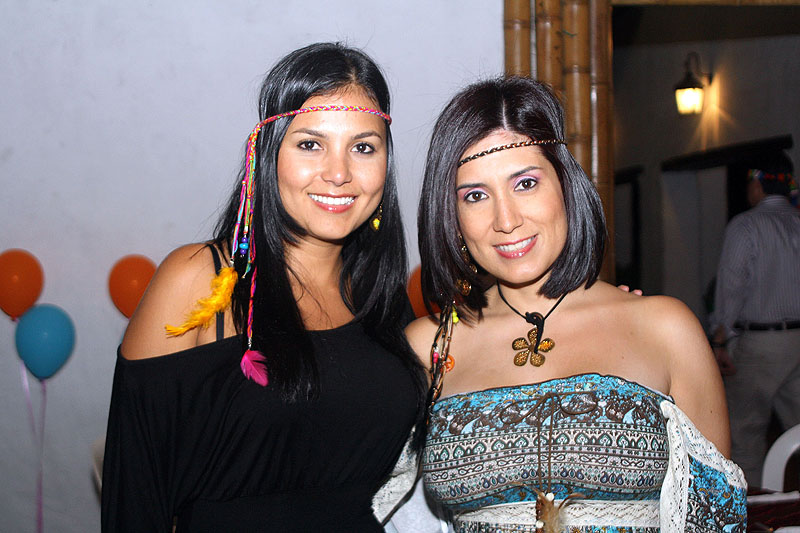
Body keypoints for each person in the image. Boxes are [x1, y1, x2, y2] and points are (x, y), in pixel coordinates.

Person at [101, 42, 427, 532]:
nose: (339, 174)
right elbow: (136, 496)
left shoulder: (380, 298)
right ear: (268, 151)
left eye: (363, 147)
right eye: (310, 144)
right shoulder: (198, 279)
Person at [406, 77, 746, 532]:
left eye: (525, 183)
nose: (506, 220)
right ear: (451, 216)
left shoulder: (664, 328)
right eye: (475, 195)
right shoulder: (428, 346)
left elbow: (716, 519)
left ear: (566, 184)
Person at [711, 153, 800, 487]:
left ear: (758, 184)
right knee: (798, 430)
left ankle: (755, 507)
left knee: (745, 432)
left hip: (762, 344)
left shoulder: (746, 225)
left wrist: (720, 338)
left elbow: (732, 287)